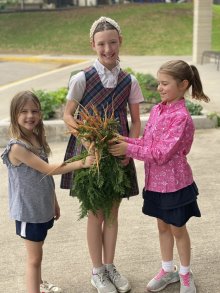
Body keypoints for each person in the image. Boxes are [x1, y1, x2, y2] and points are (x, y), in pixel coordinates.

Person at [109, 60, 210, 293]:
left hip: (175, 185)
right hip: (155, 184)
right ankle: (167, 269)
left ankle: (185, 274)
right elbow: (148, 143)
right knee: (162, 228)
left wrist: (128, 150)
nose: (160, 88)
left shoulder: (181, 117)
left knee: (178, 229)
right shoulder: (157, 110)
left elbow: (162, 153)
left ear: (183, 84)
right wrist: (125, 140)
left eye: (165, 83)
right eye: (158, 83)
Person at [60, 16, 144, 293]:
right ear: (92, 45)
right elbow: (68, 115)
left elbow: (136, 120)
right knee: (95, 211)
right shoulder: (82, 78)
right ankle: (97, 271)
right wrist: (85, 140)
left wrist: (130, 148)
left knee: (112, 213)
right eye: (101, 44)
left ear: (120, 42)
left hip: (118, 150)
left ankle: (110, 267)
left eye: (112, 42)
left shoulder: (129, 81)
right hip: (90, 152)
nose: (107, 49)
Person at [1, 91, 95, 293]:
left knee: (37, 254)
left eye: (34, 111)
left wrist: (54, 202)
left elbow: (44, 178)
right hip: (29, 212)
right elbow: (47, 169)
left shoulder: (36, 138)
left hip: (42, 207)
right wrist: (81, 163)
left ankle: (39, 283)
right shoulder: (17, 147)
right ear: (14, 115)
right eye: (24, 111)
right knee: (34, 258)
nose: (30, 115)